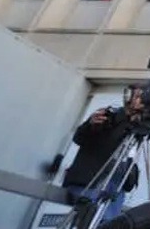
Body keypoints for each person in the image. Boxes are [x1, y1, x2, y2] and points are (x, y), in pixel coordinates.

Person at [62, 86, 145, 228]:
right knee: (91, 221)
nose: (143, 101)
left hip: (115, 187)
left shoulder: (140, 126)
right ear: (128, 97)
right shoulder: (109, 116)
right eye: (139, 97)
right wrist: (90, 124)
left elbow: (129, 155)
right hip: (90, 182)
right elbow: (79, 138)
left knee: (110, 224)